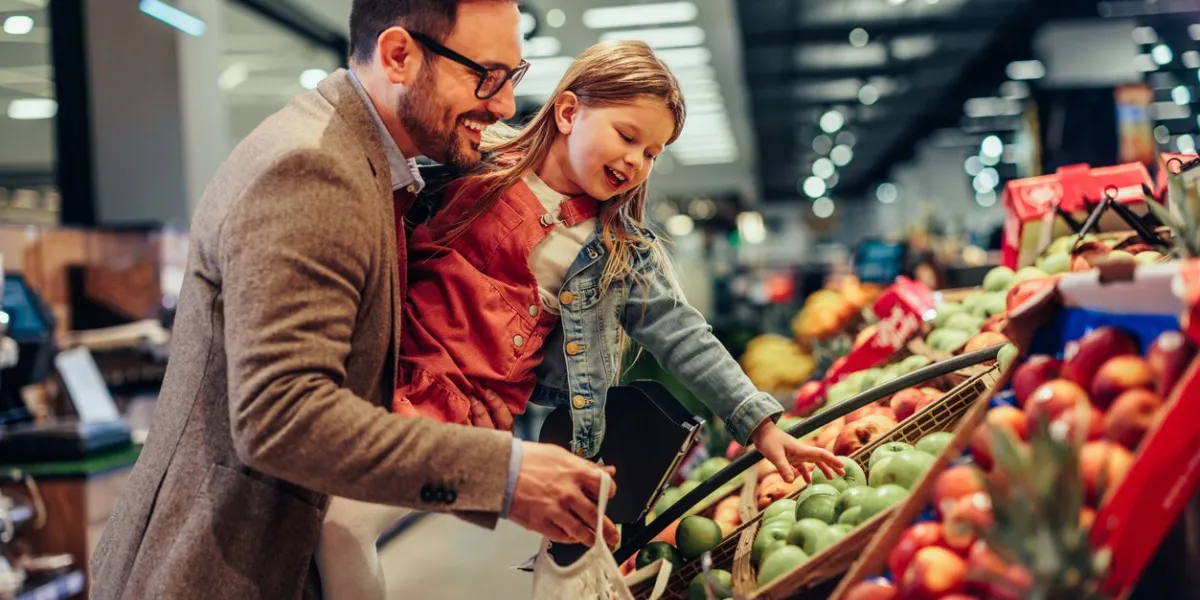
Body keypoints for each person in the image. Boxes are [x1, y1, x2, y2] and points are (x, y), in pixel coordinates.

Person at [90, 2, 618, 599]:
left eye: (512, 79)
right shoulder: (314, 169)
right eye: (486, 76)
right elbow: (281, 416)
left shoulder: (370, 166)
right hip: (214, 573)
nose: (502, 106)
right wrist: (505, 474)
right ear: (399, 55)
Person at [316, 40, 845, 600]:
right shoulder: (471, 170)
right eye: (627, 136)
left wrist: (760, 424)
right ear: (569, 113)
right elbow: (377, 201)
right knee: (318, 518)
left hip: (457, 417)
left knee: (341, 525)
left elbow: (686, 337)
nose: (636, 162)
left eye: (653, 153)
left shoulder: (619, 251)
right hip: (376, 375)